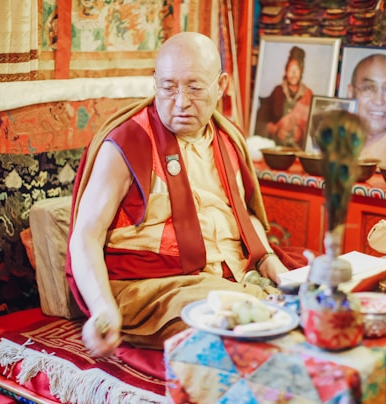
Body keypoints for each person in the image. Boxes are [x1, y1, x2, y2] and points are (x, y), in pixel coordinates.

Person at [66, 32, 305, 357]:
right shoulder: (129, 142)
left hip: (233, 275)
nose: (180, 102)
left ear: (221, 86)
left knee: (324, 288)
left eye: (194, 88)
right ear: (155, 82)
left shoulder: (227, 138)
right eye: (168, 87)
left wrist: (271, 263)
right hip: (155, 286)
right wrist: (102, 308)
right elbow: (86, 235)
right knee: (240, 320)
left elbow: (242, 215)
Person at [254, 46, 314, 149]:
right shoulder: (278, 91)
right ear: (286, 71)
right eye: (291, 70)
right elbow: (262, 121)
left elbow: (312, 126)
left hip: (298, 147)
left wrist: (300, 132)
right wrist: (275, 129)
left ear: (301, 72)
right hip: (277, 145)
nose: (293, 74)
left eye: (297, 70)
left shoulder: (308, 95)